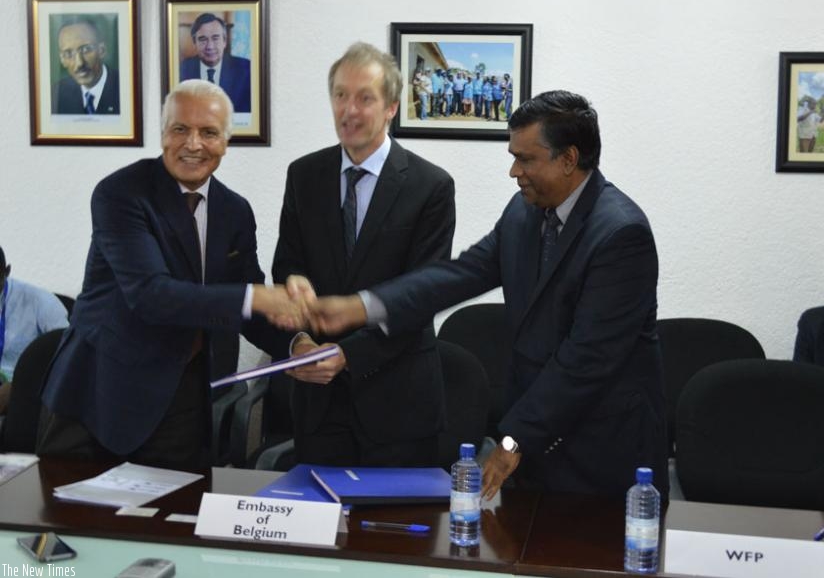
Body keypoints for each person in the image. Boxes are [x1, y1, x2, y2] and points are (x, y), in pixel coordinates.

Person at [307, 90, 668, 501]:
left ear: (569, 159)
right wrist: (365, 306)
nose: (514, 171)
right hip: (534, 448)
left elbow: (587, 359)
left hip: (603, 452)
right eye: (513, 156)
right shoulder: (523, 211)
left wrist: (512, 441)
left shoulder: (621, 235)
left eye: (526, 159)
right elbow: (460, 273)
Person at [37, 80, 302, 471]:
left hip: (181, 400)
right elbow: (151, 295)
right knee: (74, 526)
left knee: (172, 523)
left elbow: (246, 304)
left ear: (227, 142)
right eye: (180, 129)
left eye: (209, 132)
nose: (193, 144)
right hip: (98, 396)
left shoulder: (235, 212)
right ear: (163, 135)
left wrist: (297, 346)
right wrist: (257, 297)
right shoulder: (120, 194)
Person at [272, 42, 456, 467]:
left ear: (391, 107)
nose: (348, 110)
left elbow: (419, 297)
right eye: (340, 95)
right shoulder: (304, 175)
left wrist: (350, 355)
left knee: (398, 533)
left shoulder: (430, 186)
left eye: (364, 98)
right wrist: (296, 317)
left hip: (398, 405)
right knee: (321, 530)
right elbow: (287, 264)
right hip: (319, 403)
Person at [0, 246, 69, 414]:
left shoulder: (41, 303)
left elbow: (67, 353)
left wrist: (22, 383)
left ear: (7, 271)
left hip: (23, 386)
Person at [180, 13, 252, 113]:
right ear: (194, 43)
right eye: (203, 39)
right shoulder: (182, 70)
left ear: (224, 41)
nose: (210, 46)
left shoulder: (247, 70)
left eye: (215, 38)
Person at [52, 18, 119, 115]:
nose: (79, 63)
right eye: (69, 53)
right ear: (62, 59)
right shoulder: (56, 94)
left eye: (86, 49)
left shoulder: (124, 88)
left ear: (102, 50)